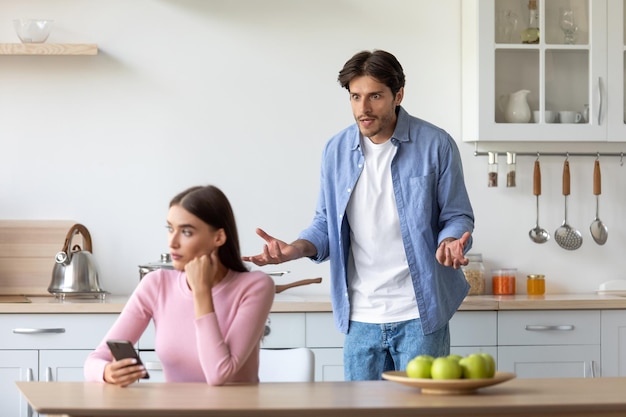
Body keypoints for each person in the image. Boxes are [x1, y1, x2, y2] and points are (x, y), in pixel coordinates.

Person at [243, 50, 474, 381]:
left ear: (399, 95)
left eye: (375, 96)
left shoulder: (436, 145)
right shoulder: (336, 150)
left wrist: (451, 240)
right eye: (355, 97)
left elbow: (457, 214)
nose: (363, 109)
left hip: (419, 315)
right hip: (360, 318)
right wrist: (294, 249)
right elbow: (325, 223)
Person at [85, 185, 275, 386]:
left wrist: (201, 292)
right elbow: (94, 361)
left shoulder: (255, 287)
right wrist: (107, 372)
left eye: (186, 232)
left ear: (218, 237)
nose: (172, 242)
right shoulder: (156, 284)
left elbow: (219, 374)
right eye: (170, 229)